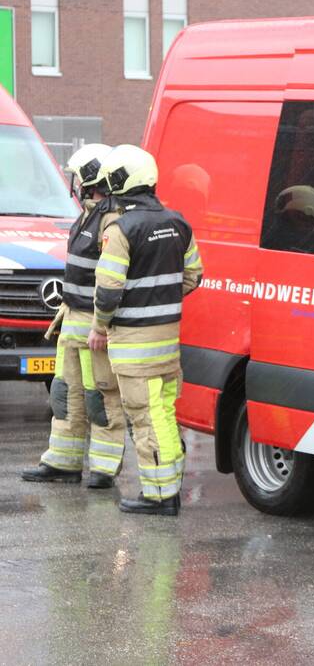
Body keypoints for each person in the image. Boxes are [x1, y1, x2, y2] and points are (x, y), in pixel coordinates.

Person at [88, 144, 203, 516]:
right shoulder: (178, 223)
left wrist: (100, 327)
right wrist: (160, 296)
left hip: (135, 348)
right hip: (168, 344)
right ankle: (168, 488)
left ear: (120, 181)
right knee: (163, 415)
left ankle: (158, 496)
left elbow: (107, 291)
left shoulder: (122, 229)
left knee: (145, 419)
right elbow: (194, 275)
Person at [21, 143, 129, 489]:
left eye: (78, 176)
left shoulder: (112, 220)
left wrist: (102, 324)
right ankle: (63, 461)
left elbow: (113, 279)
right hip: (73, 321)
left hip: (97, 326)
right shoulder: (87, 215)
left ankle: (104, 467)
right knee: (65, 394)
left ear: (89, 178)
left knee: (100, 396)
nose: (75, 182)